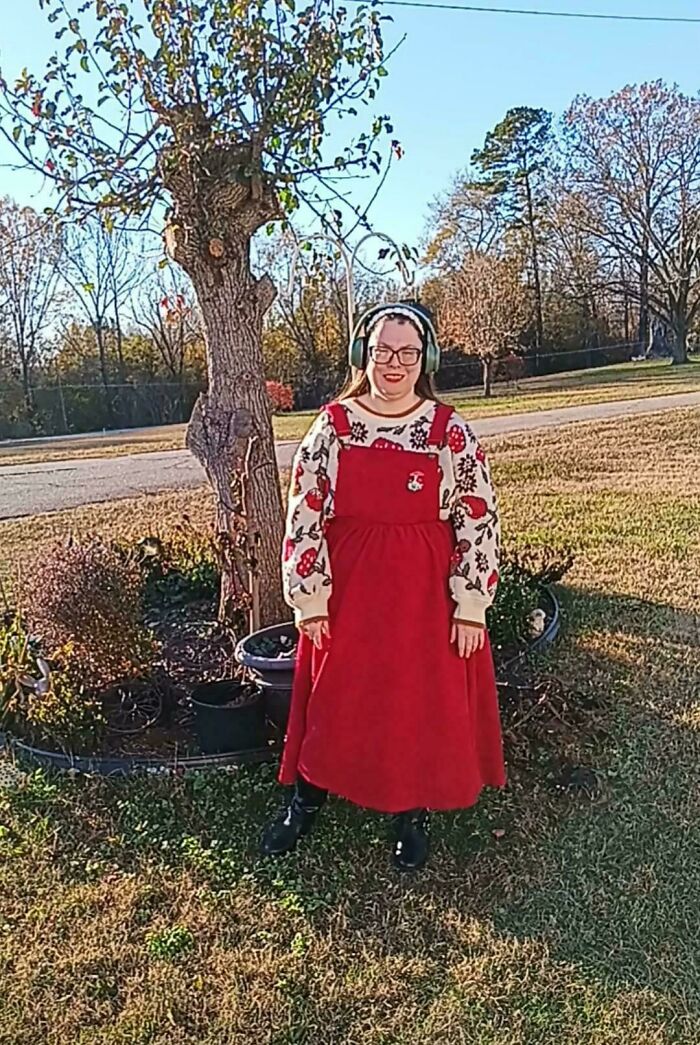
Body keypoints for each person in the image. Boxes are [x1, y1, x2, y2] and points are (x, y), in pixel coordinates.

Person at [260, 300, 505, 872]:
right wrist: (309, 597)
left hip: (424, 594)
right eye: (382, 352)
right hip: (348, 591)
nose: (394, 364)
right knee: (336, 693)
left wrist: (470, 605)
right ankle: (307, 798)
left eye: (407, 353)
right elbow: (305, 512)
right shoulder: (334, 425)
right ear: (361, 356)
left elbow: (477, 515)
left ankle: (410, 811)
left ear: (427, 359)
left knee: (414, 697)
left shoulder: (449, 431)